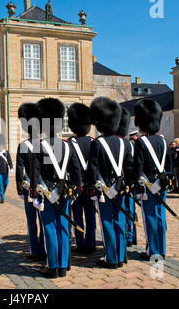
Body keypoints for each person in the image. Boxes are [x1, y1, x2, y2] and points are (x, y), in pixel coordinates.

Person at [29, 98, 82, 278]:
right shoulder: (67, 145)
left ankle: (53, 266)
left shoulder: (39, 146)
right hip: (64, 192)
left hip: (47, 193)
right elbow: (76, 170)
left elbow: (35, 174)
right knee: (64, 227)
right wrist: (76, 188)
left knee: (50, 228)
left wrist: (34, 193)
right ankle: (63, 266)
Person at [86, 97, 133, 269]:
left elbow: (92, 169)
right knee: (119, 221)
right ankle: (120, 256)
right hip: (120, 188)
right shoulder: (125, 143)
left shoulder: (98, 143)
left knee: (107, 223)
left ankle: (111, 258)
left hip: (104, 189)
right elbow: (130, 168)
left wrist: (92, 188)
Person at [133, 99, 172, 261]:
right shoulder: (163, 141)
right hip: (161, 184)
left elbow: (138, 167)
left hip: (148, 185)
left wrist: (138, 185)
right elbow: (169, 164)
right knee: (160, 216)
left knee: (149, 218)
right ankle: (161, 249)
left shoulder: (141, 142)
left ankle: (153, 251)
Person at [16, 102, 46, 261]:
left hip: (29, 187)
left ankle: (35, 250)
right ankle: (44, 248)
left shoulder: (23, 146)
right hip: (43, 187)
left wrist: (20, 189)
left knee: (31, 221)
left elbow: (19, 170)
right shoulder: (44, 145)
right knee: (43, 220)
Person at [66, 103, 96, 254]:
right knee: (91, 215)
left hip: (76, 184)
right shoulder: (93, 142)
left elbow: (70, 166)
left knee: (77, 215)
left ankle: (80, 243)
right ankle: (91, 243)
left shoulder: (70, 143)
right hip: (91, 184)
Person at [116, 107, 136, 248]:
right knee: (128, 209)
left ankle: (126, 236)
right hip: (128, 181)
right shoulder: (129, 143)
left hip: (118, 181)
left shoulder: (108, 143)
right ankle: (129, 236)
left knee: (122, 211)